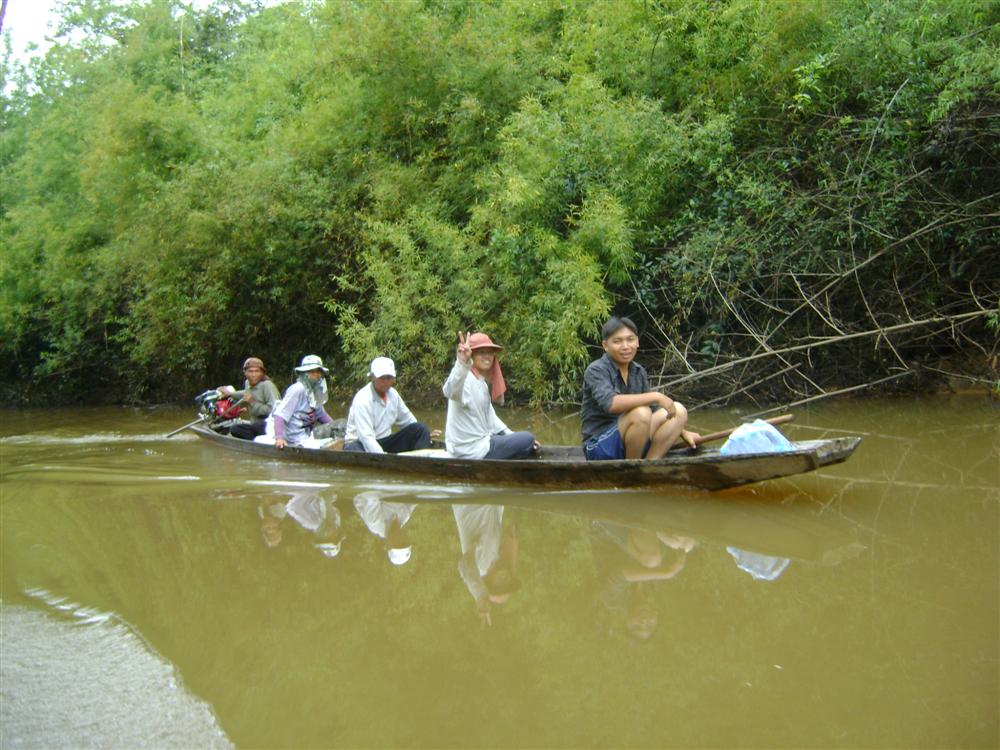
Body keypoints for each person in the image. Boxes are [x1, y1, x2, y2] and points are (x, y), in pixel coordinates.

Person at [580, 316, 699, 460]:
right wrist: (656, 396)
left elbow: (656, 410)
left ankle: (649, 465)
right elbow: (611, 403)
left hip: (633, 440)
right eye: (617, 341)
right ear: (605, 345)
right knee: (641, 413)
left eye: (630, 340)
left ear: (637, 342)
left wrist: (682, 432)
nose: (625, 346)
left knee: (678, 410)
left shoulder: (638, 371)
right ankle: (632, 467)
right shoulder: (596, 370)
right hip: (599, 446)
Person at [442, 331, 540, 459]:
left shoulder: (480, 382)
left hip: (480, 444)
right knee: (527, 437)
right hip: (469, 450)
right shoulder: (464, 379)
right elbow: (449, 391)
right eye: (481, 352)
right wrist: (461, 363)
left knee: (525, 440)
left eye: (490, 353)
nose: (487, 356)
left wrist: (512, 436)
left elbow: (492, 419)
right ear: (472, 355)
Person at [343, 356, 438, 453]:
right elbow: (366, 437)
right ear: (373, 377)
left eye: (389, 378)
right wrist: (383, 456)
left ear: (393, 379)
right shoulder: (363, 399)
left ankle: (422, 461)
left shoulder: (393, 395)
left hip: (384, 441)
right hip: (359, 443)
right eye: (382, 378)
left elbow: (408, 421)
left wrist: (424, 435)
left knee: (420, 429)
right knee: (357, 451)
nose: (385, 382)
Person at [453, 504, 520, 627]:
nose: (505, 580)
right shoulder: (496, 558)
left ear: (489, 582)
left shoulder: (480, 566)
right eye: (508, 583)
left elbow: (465, 566)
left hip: (469, 496)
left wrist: (480, 596)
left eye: (500, 585)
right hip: (487, 497)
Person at [259, 354, 336, 449]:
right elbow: (280, 415)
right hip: (292, 438)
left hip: (306, 436)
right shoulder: (297, 389)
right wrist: (279, 438)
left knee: (334, 441)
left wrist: (337, 427)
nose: (317, 374)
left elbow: (322, 416)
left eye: (319, 372)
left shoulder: (315, 391)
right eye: (312, 371)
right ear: (304, 373)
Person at [220, 357, 281, 440]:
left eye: (257, 371)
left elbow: (275, 411)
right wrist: (231, 394)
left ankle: (259, 442)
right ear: (245, 372)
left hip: (270, 425)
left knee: (235, 429)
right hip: (255, 424)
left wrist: (252, 402)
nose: (254, 375)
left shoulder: (267, 385)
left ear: (262, 373)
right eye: (250, 371)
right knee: (239, 426)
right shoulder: (248, 383)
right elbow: (246, 393)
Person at [353, 491, 417, 566]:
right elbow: (416, 497)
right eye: (405, 543)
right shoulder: (404, 517)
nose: (402, 539)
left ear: (388, 545)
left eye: (398, 544)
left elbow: (369, 492)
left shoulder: (375, 523)